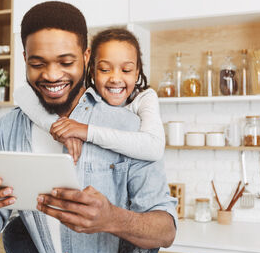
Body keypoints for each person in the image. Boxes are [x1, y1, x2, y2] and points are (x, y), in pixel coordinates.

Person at [0, 1, 177, 253]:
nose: (51, 75)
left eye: (66, 62)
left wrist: (112, 218)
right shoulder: (2, 133)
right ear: (24, 58)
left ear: (86, 56)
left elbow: (166, 230)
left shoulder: (128, 127)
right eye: (37, 63)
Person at [14, 28, 165, 164]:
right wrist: (61, 128)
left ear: (137, 72)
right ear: (92, 71)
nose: (116, 78)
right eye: (105, 69)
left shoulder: (144, 98)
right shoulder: (87, 97)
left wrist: (86, 131)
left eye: (126, 70)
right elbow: (21, 93)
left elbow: (154, 147)